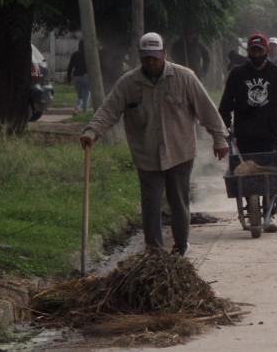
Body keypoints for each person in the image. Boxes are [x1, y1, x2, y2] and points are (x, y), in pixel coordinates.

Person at [80, 32, 229, 256]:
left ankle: (180, 246)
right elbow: (109, 110)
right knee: (150, 204)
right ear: (140, 57)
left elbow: (205, 109)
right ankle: (155, 252)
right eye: (146, 58)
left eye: (155, 58)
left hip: (179, 152)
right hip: (147, 154)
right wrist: (92, 131)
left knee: (178, 202)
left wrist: (219, 137)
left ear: (163, 54)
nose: (151, 63)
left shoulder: (184, 77)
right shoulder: (129, 83)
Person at [219, 33, 277, 233]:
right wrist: (224, 126)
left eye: (260, 51)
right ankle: (252, 205)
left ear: (266, 51)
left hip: (270, 133)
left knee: (270, 173)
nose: (256, 54)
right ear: (248, 52)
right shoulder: (237, 75)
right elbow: (226, 103)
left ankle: (270, 212)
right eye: (253, 50)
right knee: (246, 174)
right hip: (245, 134)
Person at [66, 39, 89, 114]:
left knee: (80, 96)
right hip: (86, 77)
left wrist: (69, 78)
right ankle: (84, 112)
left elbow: (70, 67)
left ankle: (77, 109)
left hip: (76, 78)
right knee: (86, 95)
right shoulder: (90, 55)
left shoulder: (75, 54)